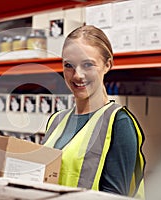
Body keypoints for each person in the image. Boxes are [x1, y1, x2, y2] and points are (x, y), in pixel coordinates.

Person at [41, 25, 145, 199]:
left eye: (88, 64)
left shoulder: (118, 123)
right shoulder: (56, 120)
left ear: (107, 65)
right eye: (69, 65)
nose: (77, 75)